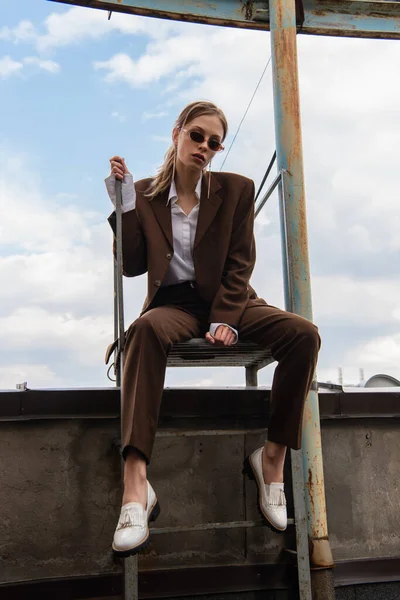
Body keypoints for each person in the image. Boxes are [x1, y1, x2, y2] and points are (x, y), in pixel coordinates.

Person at [105, 100, 320, 556]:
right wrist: (124, 205)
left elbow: (240, 262)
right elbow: (134, 267)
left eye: (213, 142)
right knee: (144, 331)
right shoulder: (144, 194)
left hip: (232, 298)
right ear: (177, 132)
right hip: (175, 305)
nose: (203, 147)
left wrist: (225, 318)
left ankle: (272, 460)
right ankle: (136, 486)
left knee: (304, 334)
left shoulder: (235, 191)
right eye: (196, 135)